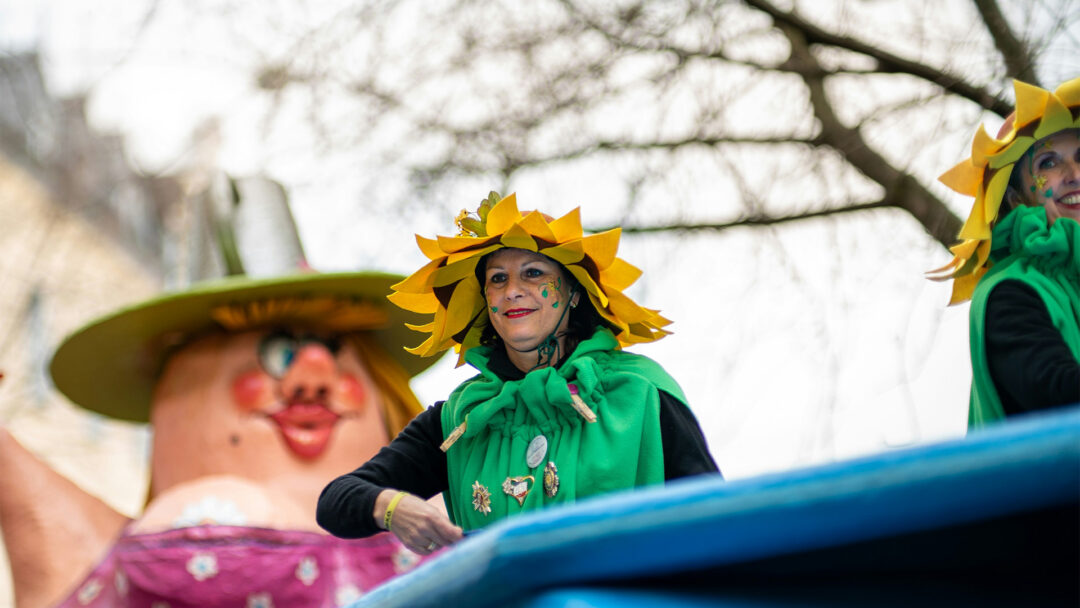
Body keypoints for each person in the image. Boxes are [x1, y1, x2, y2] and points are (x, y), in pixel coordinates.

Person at [0, 176, 440, 607]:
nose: (313, 382)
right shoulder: (114, 565)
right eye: (278, 356)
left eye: (332, 353)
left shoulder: (441, 514)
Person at [317, 192, 719, 555]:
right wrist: (393, 507)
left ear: (574, 293)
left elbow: (715, 522)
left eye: (533, 273)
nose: (512, 290)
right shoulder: (461, 418)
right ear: (486, 301)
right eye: (497, 279)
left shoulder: (639, 390)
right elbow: (336, 502)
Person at [929, 77, 1080, 427]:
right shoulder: (1010, 292)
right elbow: (1060, 398)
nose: (1073, 174)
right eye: (1048, 163)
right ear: (1016, 200)